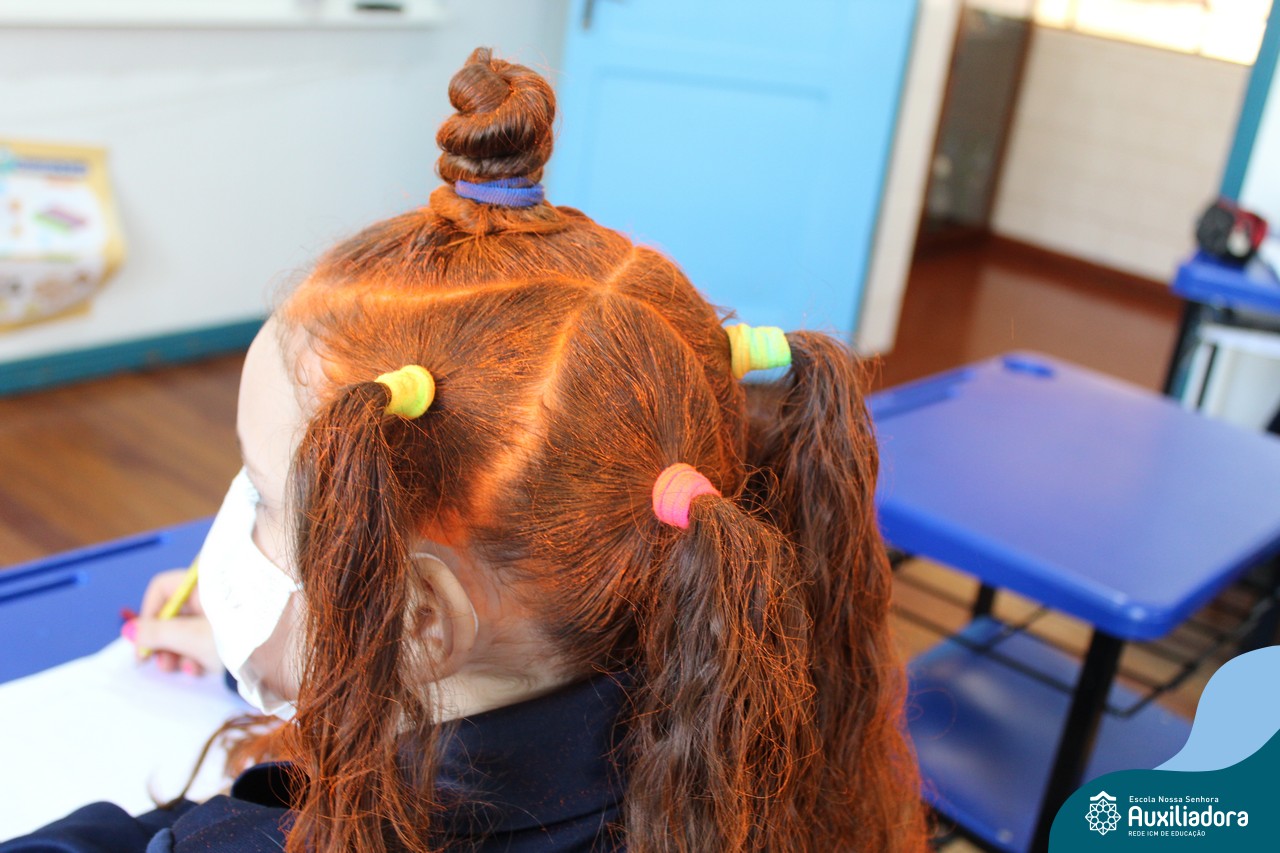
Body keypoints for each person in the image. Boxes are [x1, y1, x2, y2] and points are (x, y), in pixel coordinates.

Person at [1, 48, 927, 853]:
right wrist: (316, 653)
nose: (235, 521)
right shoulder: (727, 702)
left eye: (264, 496)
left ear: (418, 619)